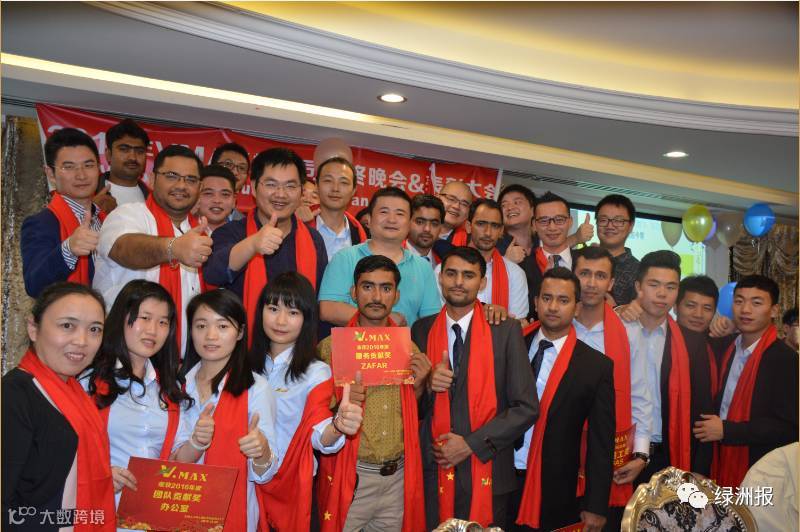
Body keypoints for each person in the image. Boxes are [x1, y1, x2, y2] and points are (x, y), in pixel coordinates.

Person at [413, 247, 538, 529]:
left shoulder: (505, 329)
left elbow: (526, 407)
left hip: (488, 468)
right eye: (451, 273)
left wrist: (470, 444)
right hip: (434, 470)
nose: (459, 282)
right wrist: (427, 386)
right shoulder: (421, 330)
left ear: (482, 283)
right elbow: (412, 410)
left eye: (468, 275)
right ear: (440, 278)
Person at [317, 255, 430, 532]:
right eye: (367, 287)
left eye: (386, 288)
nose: (377, 297)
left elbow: (412, 415)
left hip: (397, 479)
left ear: (396, 295)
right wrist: (341, 409)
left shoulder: (410, 348)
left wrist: (419, 386)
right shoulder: (329, 349)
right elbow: (315, 421)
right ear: (354, 292)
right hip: (352, 477)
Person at [83, 280, 213, 511]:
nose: (153, 330)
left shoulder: (169, 388)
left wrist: (198, 441)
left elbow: (176, 461)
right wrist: (100, 474)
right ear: (122, 318)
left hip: (151, 514)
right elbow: (65, 453)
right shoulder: (89, 383)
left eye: (163, 322)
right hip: (100, 510)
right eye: (144, 318)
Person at [248, 272, 363, 531]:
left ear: (307, 318)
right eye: (273, 309)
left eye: (293, 312)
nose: (280, 320)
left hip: (291, 490)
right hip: (246, 485)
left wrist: (338, 426)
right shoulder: (242, 365)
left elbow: (319, 434)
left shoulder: (316, 372)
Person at [3, 282, 115, 531]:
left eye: (94, 329)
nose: (82, 341)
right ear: (33, 328)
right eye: (67, 326)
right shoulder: (14, 395)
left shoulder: (77, 395)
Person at [511, 267, 615, 532]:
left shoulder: (595, 366)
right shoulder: (511, 345)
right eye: (547, 298)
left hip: (555, 490)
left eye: (564, 300)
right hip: (501, 479)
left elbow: (601, 442)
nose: (553, 307)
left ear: (577, 308)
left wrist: (595, 505)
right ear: (536, 302)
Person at [181, 289, 281, 532]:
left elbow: (266, 473)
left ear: (240, 333)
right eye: (201, 325)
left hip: (231, 515)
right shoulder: (176, 386)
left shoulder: (255, 388)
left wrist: (261, 450)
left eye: (223, 326)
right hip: (176, 508)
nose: (211, 335)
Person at [93, 145, 210, 354]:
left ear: (200, 188)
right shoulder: (128, 215)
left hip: (179, 361)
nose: (181, 185)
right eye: (172, 176)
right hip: (120, 358)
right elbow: (124, 249)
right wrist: (173, 248)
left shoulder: (201, 233)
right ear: (153, 179)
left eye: (191, 180)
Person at [205, 147, 327, 336]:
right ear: (254, 187)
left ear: (301, 191)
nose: (281, 194)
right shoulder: (230, 232)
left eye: (290, 186)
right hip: (242, 346)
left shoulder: (314, 240)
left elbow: (318, 302)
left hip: (296, 348)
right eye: (271, 184)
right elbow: (213, 274)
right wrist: (253, 244)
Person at [572, 247, 651, 531]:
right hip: (561, 452)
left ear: (611, 283)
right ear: (573, 277)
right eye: (584, 274)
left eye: (600, 276)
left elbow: (640, 395)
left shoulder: (628, 330)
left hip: (609, 455)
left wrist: (641, 455)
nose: (591, 283)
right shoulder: (558, 324)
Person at [619, 251, 715, 483]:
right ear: (638, 287)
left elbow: (702, 409)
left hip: (669, 453)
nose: (662, 294)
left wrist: (700, 468)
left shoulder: (692, 343)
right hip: (619, 449)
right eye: (654, 285)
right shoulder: (618, 331)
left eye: (671, 287)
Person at [694, 275, 798, 488]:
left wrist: (728, 430)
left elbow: (789, 427)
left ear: (774, 310)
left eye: (756, 303)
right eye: (739, 301)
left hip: (763, 472)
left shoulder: (785, 359)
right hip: (717, 461)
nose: (745, 310)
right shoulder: (725, 346)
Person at [319, 187, 440, 327]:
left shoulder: (423, 267)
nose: (392, 220)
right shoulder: (345, 258)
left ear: (409, 224)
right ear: (369, 220)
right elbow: (328, 309)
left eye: (400, 214)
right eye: (384, 212)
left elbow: (431, 321)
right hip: (354, 340)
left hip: (405, 341)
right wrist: (385, 321)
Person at [22, 128, 104, 298]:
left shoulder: (108, 219)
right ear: (51, 174)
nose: (81, 175)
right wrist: (69, 249)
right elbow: (34, 285)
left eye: (88, 165)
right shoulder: (41, 223)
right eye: (69, 167)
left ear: (99, 168)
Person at [434, 199, 529, 319]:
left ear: (501, 231)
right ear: (468, 227)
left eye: (494, 226)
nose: (488, 232)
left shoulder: (515, 274)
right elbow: (439, 318)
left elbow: (517, 323)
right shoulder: (444, 270)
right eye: (481, 224)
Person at [302, 157, 368, 260]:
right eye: (328, 180)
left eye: (344, 182)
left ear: (354, 190)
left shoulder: (360, 235)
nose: (335, 188)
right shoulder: (300, 225)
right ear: (316, 186)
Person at [94, 118, 151, 212]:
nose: (133, 157)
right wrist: (93, 209)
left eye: (140, 151)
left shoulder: (156, 199)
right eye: (124, 149)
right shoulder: (88, 192)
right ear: (108, 155)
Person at [595, 194, 639, 306]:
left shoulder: (640, 271)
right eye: (603, 220)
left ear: (631, 226)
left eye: (618, 221)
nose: (610, 226)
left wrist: (615, 310)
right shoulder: (581, 260)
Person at [432, 180, 473, 258]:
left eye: (464, 204)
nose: (456, 206)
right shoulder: (412, 231)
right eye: (451, 199)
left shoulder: (471, 243)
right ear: (437, 198)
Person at [193, 164, 239, 233]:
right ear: (196, 196)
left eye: (225, 194)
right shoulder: (182, 231)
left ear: (234, 201)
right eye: (208, 193)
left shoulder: (244, 235)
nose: (217, 200)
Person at [210, 142, 252, 215]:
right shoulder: (193, 209)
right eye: (228, 164)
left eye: (242, 168)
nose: (235, 172)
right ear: (213, 167)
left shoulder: (243, 221)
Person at [406, 194, 445, 266]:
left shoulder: (443, 264)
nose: (427, 229)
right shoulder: (392, 255)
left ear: (441, 227)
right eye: (420, 222)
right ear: (407, 222)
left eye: (434, 224)